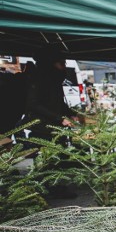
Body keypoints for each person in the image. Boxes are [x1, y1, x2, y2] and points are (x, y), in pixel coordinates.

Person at [22, 45, 79, 198]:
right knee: (47, 161)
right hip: (42, 127)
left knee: (57, 159)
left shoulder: (54, 79)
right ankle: (46, 190)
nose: (64, 67)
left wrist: (72, 114)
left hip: (54, 126)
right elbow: (33, 104)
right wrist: (59, 118)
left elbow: (60, 103)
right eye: (61, 63)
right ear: (51, 63)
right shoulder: (40, 78)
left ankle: (56, 188)